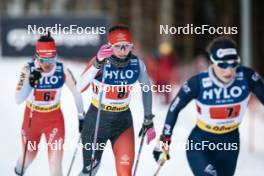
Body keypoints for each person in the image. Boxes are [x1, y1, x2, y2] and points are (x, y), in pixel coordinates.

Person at [153, 37, 264, 176]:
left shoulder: (247, 77)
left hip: (230, 144)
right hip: (201, 143)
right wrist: (164, 142)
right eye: (223, 65)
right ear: (213, 62)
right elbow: (174, 108)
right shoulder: (198, 83)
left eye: (234, 64)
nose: (229, 71)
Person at [77, 25, 156, 176]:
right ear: (109, 46)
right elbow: (79, 87)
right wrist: (98, 63)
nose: (122, 51)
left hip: (122, 122)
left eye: (127, 46)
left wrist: (148, 118)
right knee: (90, 170)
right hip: (97, 120)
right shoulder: (99, 61)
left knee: (125, 171)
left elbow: (146, 89)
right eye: (118, 46)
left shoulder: (136, 63)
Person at [14, 32, 84, 176]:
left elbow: (76, 92)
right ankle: (19, 168)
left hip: (54, 120)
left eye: (51, 59)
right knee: (28, 157)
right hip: (32, 119)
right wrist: (30, 82)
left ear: (55, 55)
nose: (47, 64)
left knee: (55, 167)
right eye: (43, 60)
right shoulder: (27, 70)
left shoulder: (62, 69)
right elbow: (18, 99)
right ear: (37, 56)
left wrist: (81, 116)